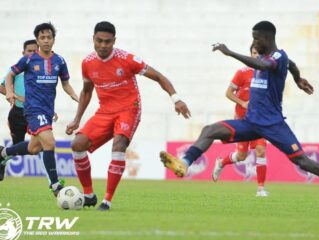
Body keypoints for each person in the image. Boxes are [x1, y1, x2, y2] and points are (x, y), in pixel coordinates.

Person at [160, 21, 319, 198]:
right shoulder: (269, 57)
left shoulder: (276, 56)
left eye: (256, 38)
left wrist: (230, 52)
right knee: (209, 130)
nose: (253, 42)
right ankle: (184, 164)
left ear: (267, 38)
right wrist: (297, 78)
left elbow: (265, 65)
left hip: (273, 124)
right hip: (250, 122)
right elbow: (291, 65)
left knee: (303, 162)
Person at [66, 21, 191, 211]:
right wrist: (77, 119)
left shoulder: (127, 59)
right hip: (104, 111)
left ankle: (107, 201)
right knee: (77, 144)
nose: (103, 45)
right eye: (99, 41)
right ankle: (89, 194)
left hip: (128, 109)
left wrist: (177, 99)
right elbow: (86, 91)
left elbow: (159, 77)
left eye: (107, 41)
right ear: (93, 39)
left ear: (114, 41)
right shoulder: (88, 63)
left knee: (119, 145)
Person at [213, 45, 306, 197]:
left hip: (261, 119)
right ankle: (221, 162)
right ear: (250, 54)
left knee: (261, 151)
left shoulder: (268, 71)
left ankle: (261, 189)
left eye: (259, 53)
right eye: (254, 53)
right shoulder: (242, 73)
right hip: (243, 119)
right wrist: (243, 103)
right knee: (241, 156)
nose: (257, 56)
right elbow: (228, 93)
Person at [0, 22, 79, 196]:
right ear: (37, 40)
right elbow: (10, 74)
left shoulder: (60, 61)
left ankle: (3, 154)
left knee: (34, 148)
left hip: (48, 111)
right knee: (50, 143)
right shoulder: (29, 59)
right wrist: (10, 92)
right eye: (42, 38)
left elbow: (65, 83)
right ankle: (56, 185)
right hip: (33, 109)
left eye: (49, 37)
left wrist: (75, 96)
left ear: (53, 39)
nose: (46, 41)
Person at [0, 40, 37, 181]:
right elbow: (2, 86)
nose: (32, 54)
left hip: (34, 113)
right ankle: (3, 159)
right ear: (23, 53)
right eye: (29, 51)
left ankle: (54, 183)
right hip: (17, 113)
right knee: (17, 147)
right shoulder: (16, 70)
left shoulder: (41, 72)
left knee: (39, 145)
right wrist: (12, 95)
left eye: (35, 51)